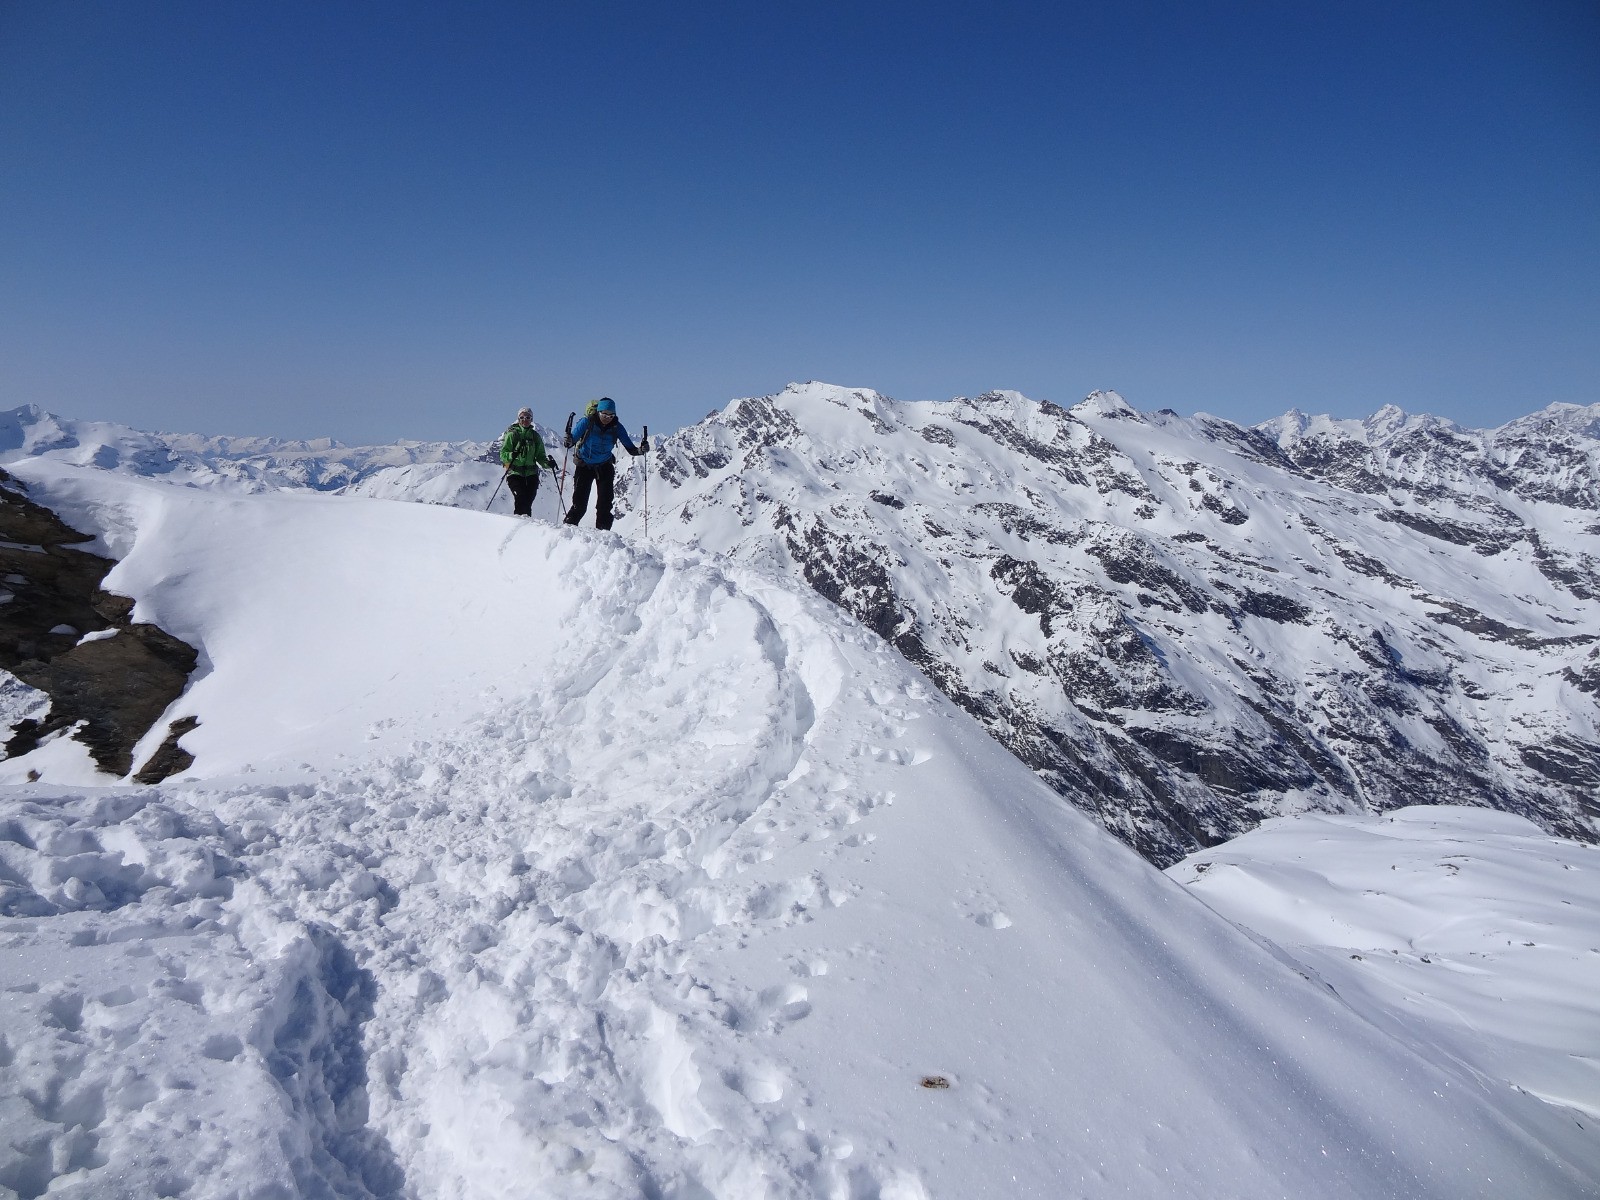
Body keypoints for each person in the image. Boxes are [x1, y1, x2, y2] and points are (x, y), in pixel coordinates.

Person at [563, 398, 649, 530]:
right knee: (580, 503)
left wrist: (641, 450)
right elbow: (571, 442)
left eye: (611, 415)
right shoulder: (587, 422)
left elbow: (630, 449)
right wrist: (568, 440)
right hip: (584, 465)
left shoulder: (617, 427)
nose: (607, 418)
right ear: (598, 412)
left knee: (605, 503)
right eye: (604, 415)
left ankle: (603, 534)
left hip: (605, 466)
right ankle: (568, 529)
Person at [499, 407, 555, 517]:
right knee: (521, 499)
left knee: (528, 502)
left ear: (531, 419)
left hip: (531, 474)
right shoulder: (512, 435)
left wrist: (548, 464)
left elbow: (540, 456)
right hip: (515, 473)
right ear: (518, 419)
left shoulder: (535, 436)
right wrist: (511, 455)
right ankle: (519, 523)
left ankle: (525, 526)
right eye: (522, 417)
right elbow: (503, 454)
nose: (525, 420)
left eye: (528, 417)